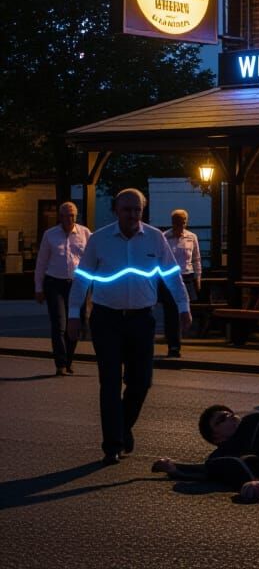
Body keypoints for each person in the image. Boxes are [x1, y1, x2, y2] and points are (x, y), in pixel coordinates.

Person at [68, 188, 191, 465]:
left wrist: (184, 307)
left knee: (141, 382)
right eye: (127, 209)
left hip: (141, 318)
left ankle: (122, 428)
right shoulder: (99, 240)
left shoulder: (155, 238)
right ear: (116, 210)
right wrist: (74, 315)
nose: (133, 215)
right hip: (106, 318)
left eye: (137, 210)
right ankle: (112, 444)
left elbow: (172, 276)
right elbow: (82, 279)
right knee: (110, 382)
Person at [34, 201, 91, 376]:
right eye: (65, 215)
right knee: (59, 324)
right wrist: (39, 287)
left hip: (78, 284)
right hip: (55, 284)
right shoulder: (50, 235)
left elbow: (93, 259)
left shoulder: (85, 233)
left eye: (71, 215)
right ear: (60, 216)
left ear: (76, 216)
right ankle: (60, 363)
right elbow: (41, 262)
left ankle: (68, 360)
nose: (68, 218)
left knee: (76, 324)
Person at [159, 208, 202, 357]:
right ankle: (174, 345)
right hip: (170, 277)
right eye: (177, 223)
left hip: (186, 275)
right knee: (171, 311)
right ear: (172, 222)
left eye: (183, 222)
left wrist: (198, 277)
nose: (180, 226)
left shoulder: (191, 237)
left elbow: (196, 259)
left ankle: (179, 338)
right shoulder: (165, 237)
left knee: (183, 310)